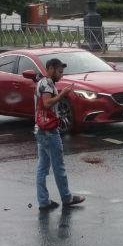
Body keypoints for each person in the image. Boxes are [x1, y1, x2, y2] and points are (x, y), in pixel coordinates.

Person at [33, 58, 85, 212]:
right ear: (50, 69)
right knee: (58, 166)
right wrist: (63, 94)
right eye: (59, 72)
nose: (61, 75)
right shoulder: (47, 84)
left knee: (43, 166)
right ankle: (67, 197)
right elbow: (47, 103)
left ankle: (43, 201)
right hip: (48, 130)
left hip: (41, 129)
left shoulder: (44, 83)